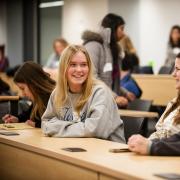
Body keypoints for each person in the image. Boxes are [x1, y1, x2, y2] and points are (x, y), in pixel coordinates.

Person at [41, 45, 125, 143]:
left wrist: (57, 128)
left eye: (84, 64)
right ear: (64, 67)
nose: (79, 70)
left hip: (109, 153)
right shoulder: (58, 93)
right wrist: (82, 128)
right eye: (73, 64)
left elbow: (95, 130)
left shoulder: (100, 92)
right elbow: (46, 123)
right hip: (79, 148)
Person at [128, 53, 180, 154]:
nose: (173, 74)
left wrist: (150, 146)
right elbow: (165, 135)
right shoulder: (174, 102)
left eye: (177, 69)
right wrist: (146, 142)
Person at [82, 13, 133, 107]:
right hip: (93, 104)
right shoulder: (93, 46)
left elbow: (110, 81)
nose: (124, 33)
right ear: (113, 28)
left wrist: (124, 92)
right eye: (122, 28)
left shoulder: (113, 49)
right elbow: (92, 78)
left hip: (107, 103)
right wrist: (114, 97)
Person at [2, 61, 56, 127]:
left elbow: (56, 124)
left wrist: (36, 125)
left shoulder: (52, 97)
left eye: (23, 88)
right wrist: (17, 119)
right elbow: (27, 115)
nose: (23, 94)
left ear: (33, 84)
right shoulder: (38, 98)